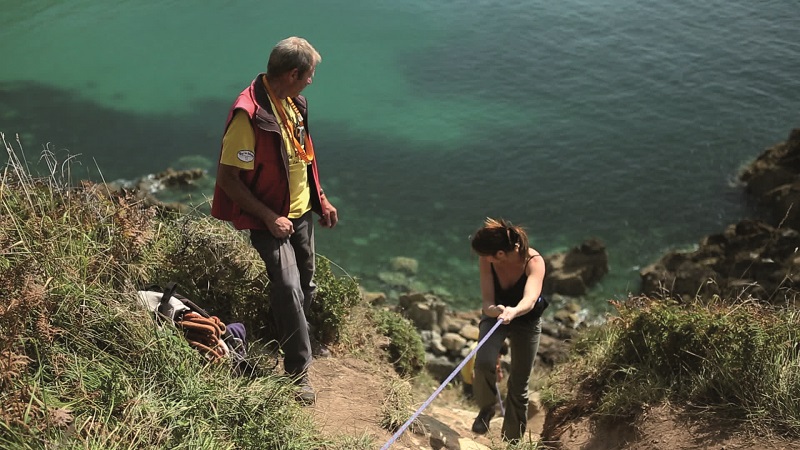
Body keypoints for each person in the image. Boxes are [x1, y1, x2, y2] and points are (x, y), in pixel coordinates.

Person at [210, 36, 338, 405]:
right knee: (289, 286)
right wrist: (269, 217)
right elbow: (228, 179)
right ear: (293, 73)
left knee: (306, 286)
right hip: (269, 220)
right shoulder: (248, 115)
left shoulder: (294, 103)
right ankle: (297, 372)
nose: (311, 81)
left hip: (300, 214)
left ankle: (289, 332)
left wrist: (320, 198)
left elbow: (303, 157)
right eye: (309, 74)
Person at [469, 217, 547, 442]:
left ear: (500, 254)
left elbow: (530, 299)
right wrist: (495, 310)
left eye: (487, 255)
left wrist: (514, 312)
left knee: (519, 384)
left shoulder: (534, 262)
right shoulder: (487, 260)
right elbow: (487, 302)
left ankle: (512, 441)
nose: (483, 259)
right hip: (497, 314)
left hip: (526, 319)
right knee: (483, 362)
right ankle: (487, 409)